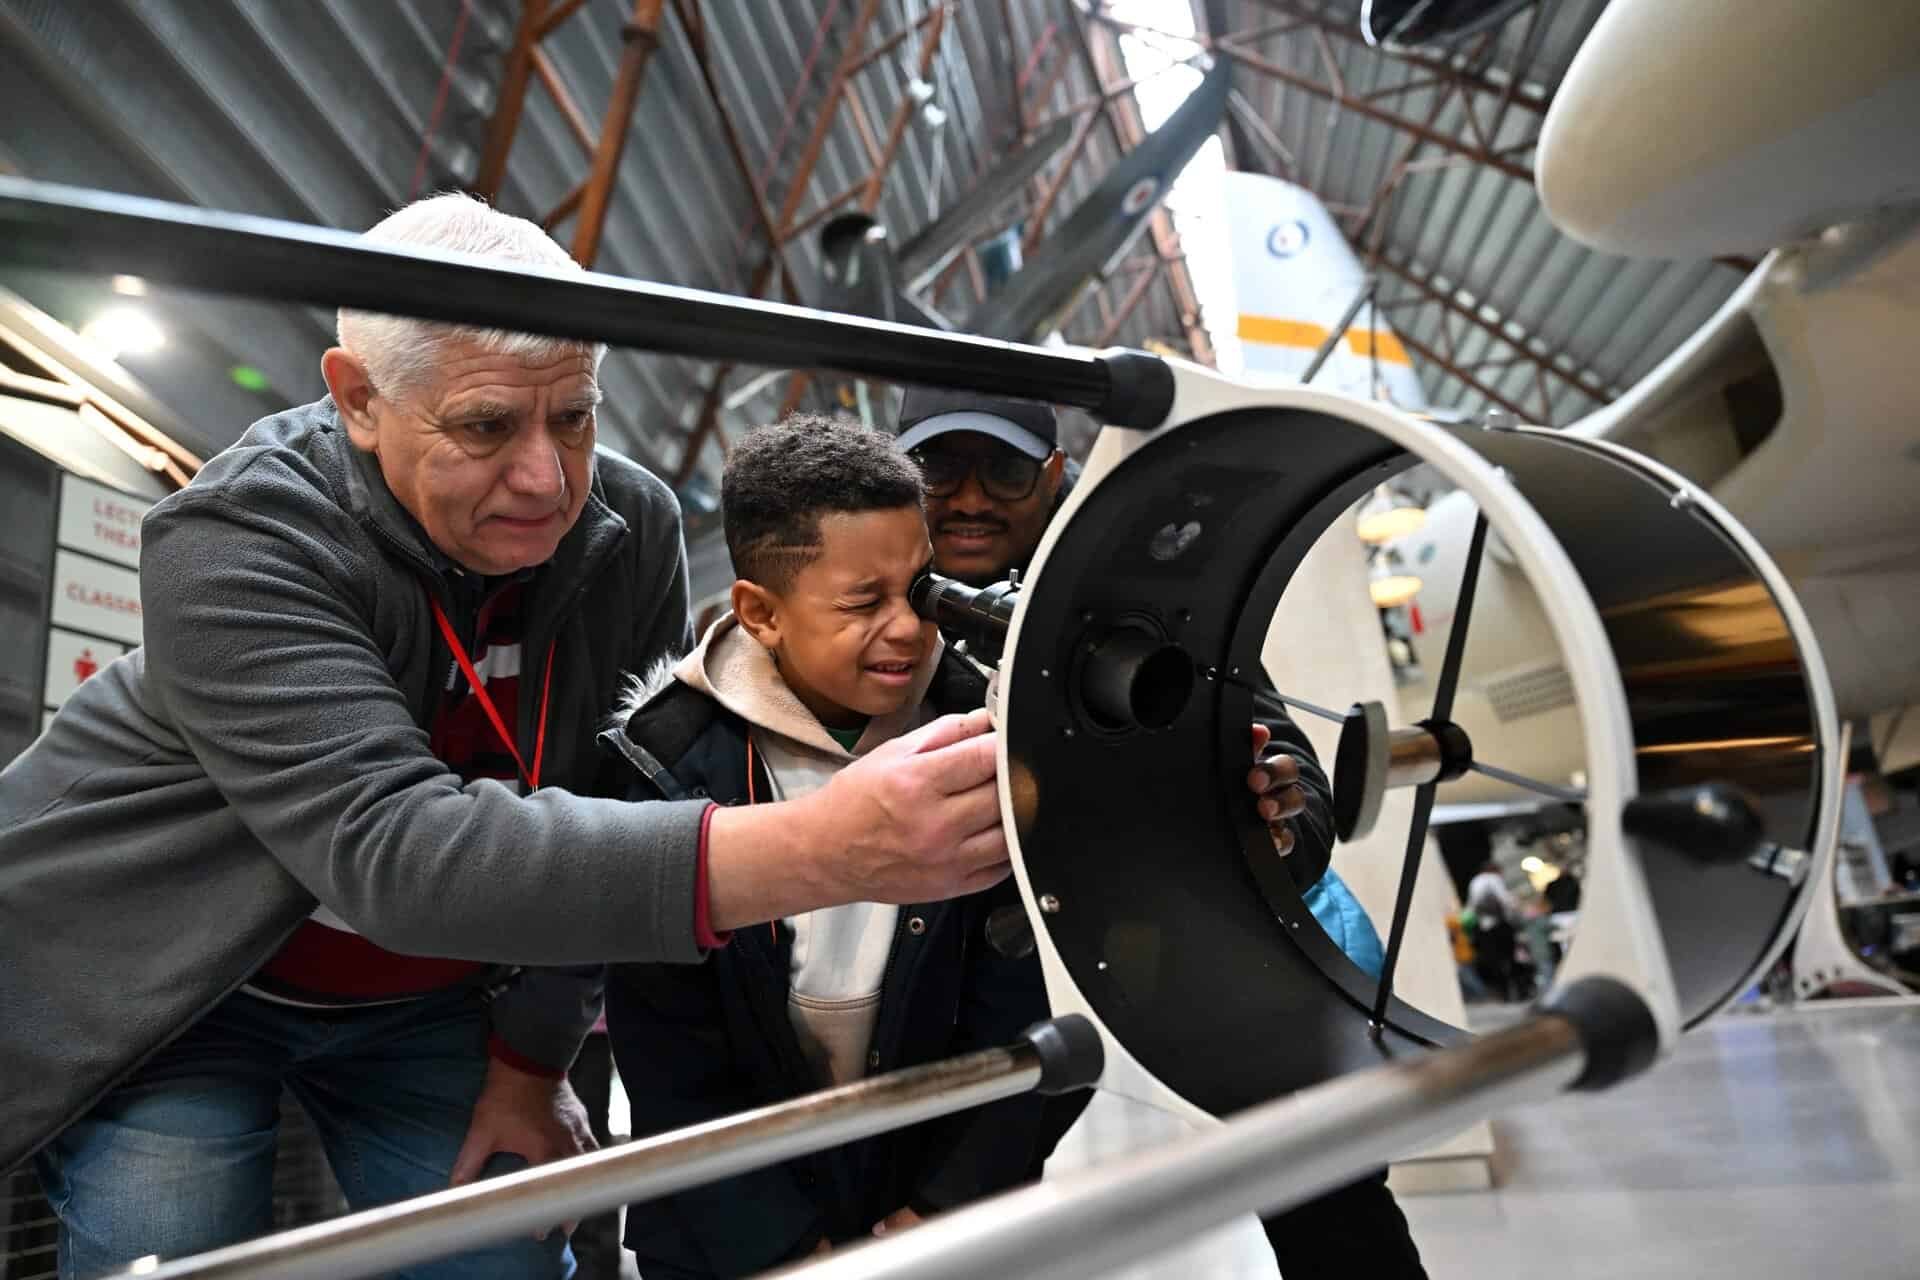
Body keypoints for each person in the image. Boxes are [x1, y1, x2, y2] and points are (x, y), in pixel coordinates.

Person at [0, 195, 1008, 1280]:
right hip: (185, 989)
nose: (546, 477)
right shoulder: (236, 536)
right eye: (486, 427)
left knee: (504, 1260)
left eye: (572, 416)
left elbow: (609, 797)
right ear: (359, 399)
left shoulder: (629, 528)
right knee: (177, 1241)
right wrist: (826, 844)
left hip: (423, 1003)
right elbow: (398, 849)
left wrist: (534, 1057)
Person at [896, 387, 1426, 1279]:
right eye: (940, 466)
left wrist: (1275, 829)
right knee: (947, 1212)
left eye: (1005, 468)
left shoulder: (1135, 595)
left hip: (1179, 952)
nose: (973, 496)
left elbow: (1289, 774)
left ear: (1056, 476)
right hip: (986, 982)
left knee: (1326, 1186)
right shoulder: (877, 610)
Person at [602, 418, 1076, 1275]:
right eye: (864, 602)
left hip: (947, 1216)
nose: (907, 627)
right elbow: (669, 1057)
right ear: (761, 612)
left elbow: (1032, 1002)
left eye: (920, 587)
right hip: (729, 1227)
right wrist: (780, 1247)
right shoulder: (665, 762)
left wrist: (941, 1207)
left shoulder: (989, 729)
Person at [1467, 860, 1522, 1002]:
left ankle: (1502, 993)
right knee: (1509, 957)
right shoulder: (1494, 879)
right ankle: (1516, 991)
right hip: (1499, 925)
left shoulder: (1474, 882)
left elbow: (1472, 905)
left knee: (1494, 960)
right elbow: (1504, 900)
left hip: (1483, 927)